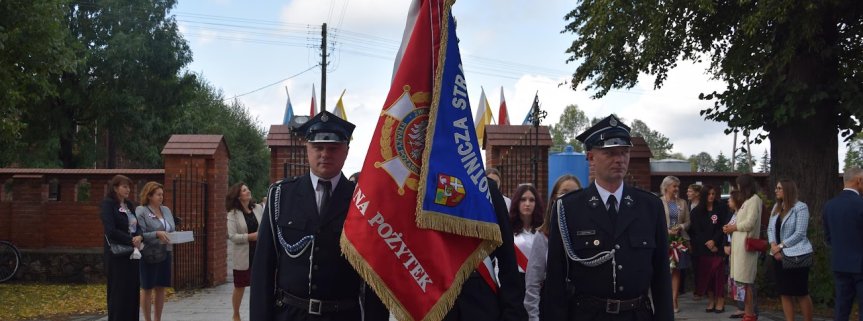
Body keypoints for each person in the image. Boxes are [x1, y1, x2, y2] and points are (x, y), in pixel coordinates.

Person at [250, 111, 388, 321]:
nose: (325, 154)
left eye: (333, 148)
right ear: (307, 148)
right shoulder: (280, 195)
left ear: (346, 151)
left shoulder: (363, 202)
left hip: (343, 315)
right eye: (318, 147)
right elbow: (263, 269)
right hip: (290, 315)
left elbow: (375, 278)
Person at [545, 114, 673, 321]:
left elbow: (661, 277)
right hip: (588, 314)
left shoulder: (650, 206)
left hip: (637, 314)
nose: (619, 159)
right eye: (610, 153)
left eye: (624, 152)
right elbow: (555, 279)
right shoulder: (568, 208)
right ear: (591, 157)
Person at [442, 178, 528, 321]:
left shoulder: (485, 187)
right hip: (437, 303)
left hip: (481, 303)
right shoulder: (421, 185)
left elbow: (507, 258)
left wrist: (512, 312)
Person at [524, 174, 581, 321]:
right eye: (564, 193)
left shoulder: (588, 235)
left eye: (575, 193)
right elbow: (533, 283)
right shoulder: (543, 236)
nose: (569, 198)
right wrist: (533, 317)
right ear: (554, 198)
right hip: (553, 308)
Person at [767, 179, 814, 321]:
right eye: (776, 188)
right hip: (777, 256)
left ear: (787, 190)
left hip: (796, 256)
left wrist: (781, 246)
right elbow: (770, 228)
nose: (776, 190)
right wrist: (773, 246)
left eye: (779, 188)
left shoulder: (800, 207)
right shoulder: (776, 207)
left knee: (801, 292)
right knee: (784, 292)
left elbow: (800, 233)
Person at [100, 174, 142, 321]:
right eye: (124, 186)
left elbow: (137, 226)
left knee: (131, 291)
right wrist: (130, 239)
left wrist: (139, 237)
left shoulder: (129, 205)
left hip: (132, 254)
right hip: (117, 255)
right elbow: (110, 230)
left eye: (129, 186)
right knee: (119, 292)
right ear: (115, 188)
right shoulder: (108, 204)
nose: (128, 189)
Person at [823, 168, 863, 321]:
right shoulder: (861, 204)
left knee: (841, 308)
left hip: (840, 264)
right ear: (858, 180)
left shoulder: (830, 206)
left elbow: (828, 237)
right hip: (861, 265)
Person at [723, 174, 762, 321]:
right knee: (740, 281)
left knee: (746, 281)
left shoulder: (754, 200)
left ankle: (750, 314)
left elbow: (750, 223)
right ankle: (747, 312)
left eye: (739, 185)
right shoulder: (746, 201)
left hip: (746, 247)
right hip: (739, 247)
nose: (737, 187)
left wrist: (734, 227)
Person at [135, 182, 177, 321]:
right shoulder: (142, 210)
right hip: (149, 253)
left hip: (165, 252)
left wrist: (175, 236)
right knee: (147, 287)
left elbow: (171, 228)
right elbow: (140, 234)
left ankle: (157, 319)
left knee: (161, 287)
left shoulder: (166, 210)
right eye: (158, 194)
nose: (161, 197)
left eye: (162, 194)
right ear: (149, 195)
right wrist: (156, 234)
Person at [689, 185, 729, 313]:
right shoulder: (696, 212)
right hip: (703, 249)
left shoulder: (721, 208)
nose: (711, 196)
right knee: (707, 276)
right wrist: (707, 243)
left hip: (717, 248)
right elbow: (696, 231)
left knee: (718, 276)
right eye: (709, 194)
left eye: (713, 193)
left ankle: (720, 300)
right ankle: (711, 300)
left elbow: (723, 226)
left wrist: (714, 242)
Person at [227, 182, 263, 321]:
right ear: (238, 196)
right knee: (240, 286)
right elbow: (232, 236)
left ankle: (257, 313)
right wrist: (250, 237)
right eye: (244, 190)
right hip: (243, 255)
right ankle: (236, 314)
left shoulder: (258, 208)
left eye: (247, 188)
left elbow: (265, 226)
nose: (248, 191)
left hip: (259, 253)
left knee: (258, 285)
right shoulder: (233, 214)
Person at [660, 175, 690, 313]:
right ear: (666, 187)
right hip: (663, 240)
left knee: (676, 271)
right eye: (674, 186)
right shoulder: (658, 202)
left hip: (678, 241)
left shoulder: (682, 203)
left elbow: (688, 222)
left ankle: (674, 299)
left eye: (678, 186)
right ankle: (664, 299)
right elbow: (654, 222)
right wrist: (667, 230)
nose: (677, 189)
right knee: (664, 271)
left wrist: (681, 227)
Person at [510, 184, 544, 285]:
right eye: (523, 199)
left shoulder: (543, 230)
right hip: (515, 282)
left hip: (538, 283)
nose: (527, 203)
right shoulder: (508, 230)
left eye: (532, 200)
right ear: (517, 202)